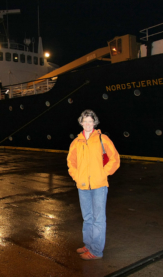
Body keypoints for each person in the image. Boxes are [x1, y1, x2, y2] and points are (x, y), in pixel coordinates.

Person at [67, 109, 120, 260]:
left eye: (91, 121)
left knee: (98, 218)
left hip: (99, 185)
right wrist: (76, 176)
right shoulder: (76, 142)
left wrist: (104, 173)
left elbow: (115, 158)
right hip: (82, 185)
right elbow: (71, 162)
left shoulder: (103, 139)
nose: (88, 124)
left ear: (94, 123)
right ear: (81, 123)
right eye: (85, 121)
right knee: (87, 217)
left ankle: (96, 251)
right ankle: (88, 244)